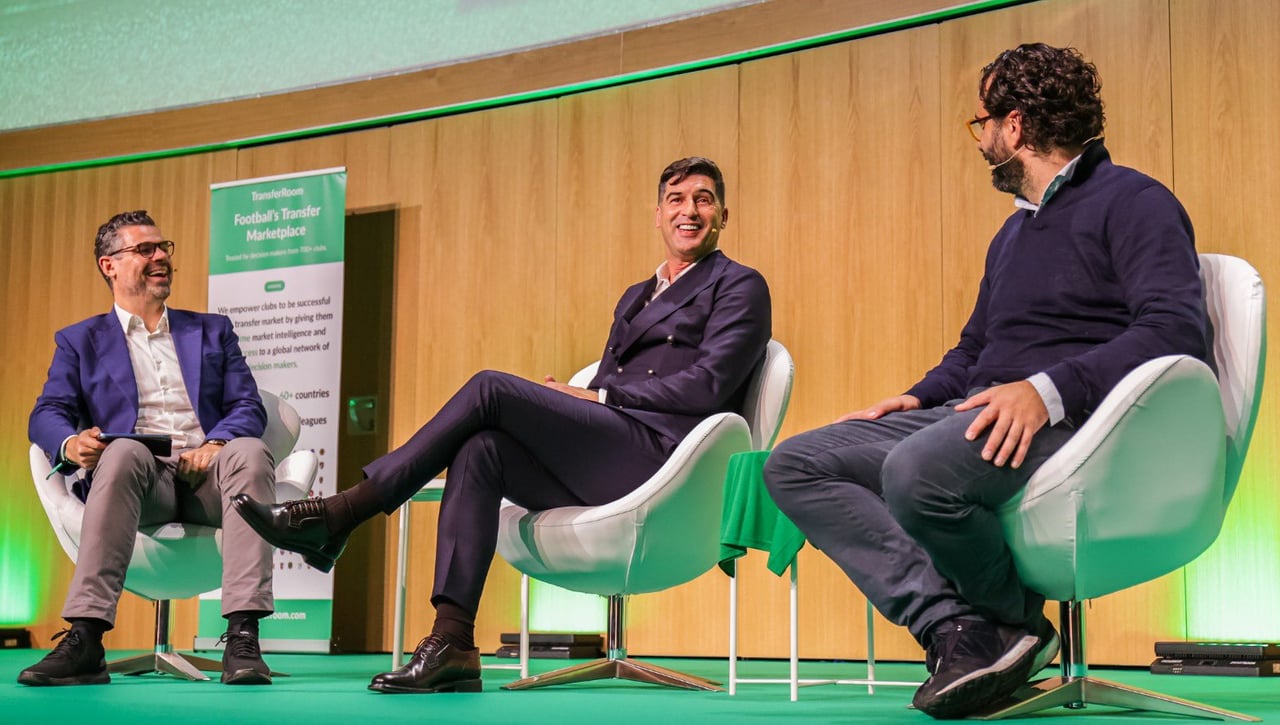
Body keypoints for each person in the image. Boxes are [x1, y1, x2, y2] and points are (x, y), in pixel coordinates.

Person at [764, 44, 1210, 719]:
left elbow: (1177, 329)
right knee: (797, 462)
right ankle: (960, 627)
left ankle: (1003, 622)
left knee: (917, 468)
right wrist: (918, 394)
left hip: (1084, 424)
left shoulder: (1136, 202)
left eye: (982, 125)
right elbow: (976, 349)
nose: (980, 142)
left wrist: (1047, 390)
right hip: (978, 414)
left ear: (1016, 126)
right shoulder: (1012, 234)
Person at [234, 156, 772, 694]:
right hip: (613, 449)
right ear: (657, 214)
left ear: (723, 213)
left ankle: (343, 512)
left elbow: (710, 386)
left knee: (491, 388)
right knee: (482, 449)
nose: (689, 211)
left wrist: (596, 396)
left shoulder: (740, 285)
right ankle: (453, 642)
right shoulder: (636, 295)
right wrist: (581, 402)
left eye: (702, 199)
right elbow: (608, 383)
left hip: (668, 460)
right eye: (676, 200)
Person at [21, 210, 278, 687]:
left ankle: (244, 637)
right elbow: (46, 412)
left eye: (163, 248)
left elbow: (247, 404)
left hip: (209, 478)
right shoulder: (81, 341)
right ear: (109, 265)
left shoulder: (211, 331)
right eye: (145, 250)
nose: (160, 257)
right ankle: (87, 637)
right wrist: (71, 441)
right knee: (121, 451)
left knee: (250, 451)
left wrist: (218, 441)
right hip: (139, 480)